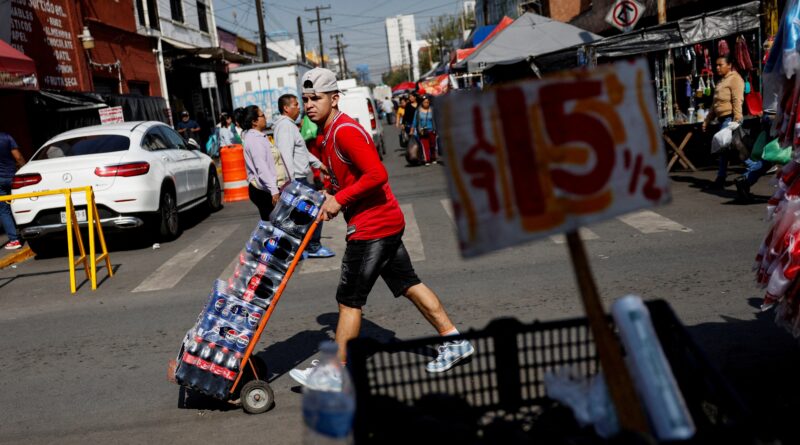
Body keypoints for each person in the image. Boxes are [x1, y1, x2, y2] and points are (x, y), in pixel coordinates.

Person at [289, 68, 474, 391]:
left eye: (315, 98)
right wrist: (330, 196)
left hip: (372, 226)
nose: (309, 105)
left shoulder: (345, 131)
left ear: (334, 99)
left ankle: (334, 371)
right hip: (382, 221)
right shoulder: (326, 135)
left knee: (349, 300)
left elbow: (376, 174)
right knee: (409, 284)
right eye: (305, 99)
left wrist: (340, 199)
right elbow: (348, 178)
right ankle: (454, 341)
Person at [274, 94, 335, 258]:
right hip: (296, 180)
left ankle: (299, 248)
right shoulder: (285, 127)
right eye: (295, 104)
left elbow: (303, 152)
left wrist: (320, 165)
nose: (300, 108)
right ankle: (312, 246)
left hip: (299, 179)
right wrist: (291, 183)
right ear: (286, 108)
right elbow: (285, 155)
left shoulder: (290, 126)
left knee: (301, 215)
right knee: (317, 208)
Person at [703, 54, 744, 190]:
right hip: (722, 119)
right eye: (716, 65)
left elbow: (737, 100)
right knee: (726, 150)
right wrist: (707, 120)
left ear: (729, 65)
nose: (717, 67)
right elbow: (714, 104)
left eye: (720, 65)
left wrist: (737, 119)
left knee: (726, 149)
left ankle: (722, 178)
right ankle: (722, 178)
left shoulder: (735, 79)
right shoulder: (722, 81)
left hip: (730, 119)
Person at [239, 105, 282, 221]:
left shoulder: (259, 136)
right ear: (254, 121)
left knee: (274, 225)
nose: (265, 117)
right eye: (262, 115)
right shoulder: (254, 140)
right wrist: (274, 190)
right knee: (272, 226)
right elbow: (262, 167)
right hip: (263, 190)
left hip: (267, 188)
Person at [0, 132, 24, 250]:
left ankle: (14, 240)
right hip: (12, 176)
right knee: (19, 203)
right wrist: (24, 169)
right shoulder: (7, 137)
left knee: (4, 210)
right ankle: (25, 230)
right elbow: (18, 157)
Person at [411, 95, 438, 165]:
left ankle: (433, 158)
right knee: (425, 146)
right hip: (422, 131)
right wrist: (412, 130)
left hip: (432, 130)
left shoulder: (432, 110)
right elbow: (414, 121)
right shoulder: (418, 111)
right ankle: (427, 160)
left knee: (432, 145)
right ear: (422, 103)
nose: (426, 104)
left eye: (427, 102)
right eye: (425, 102)